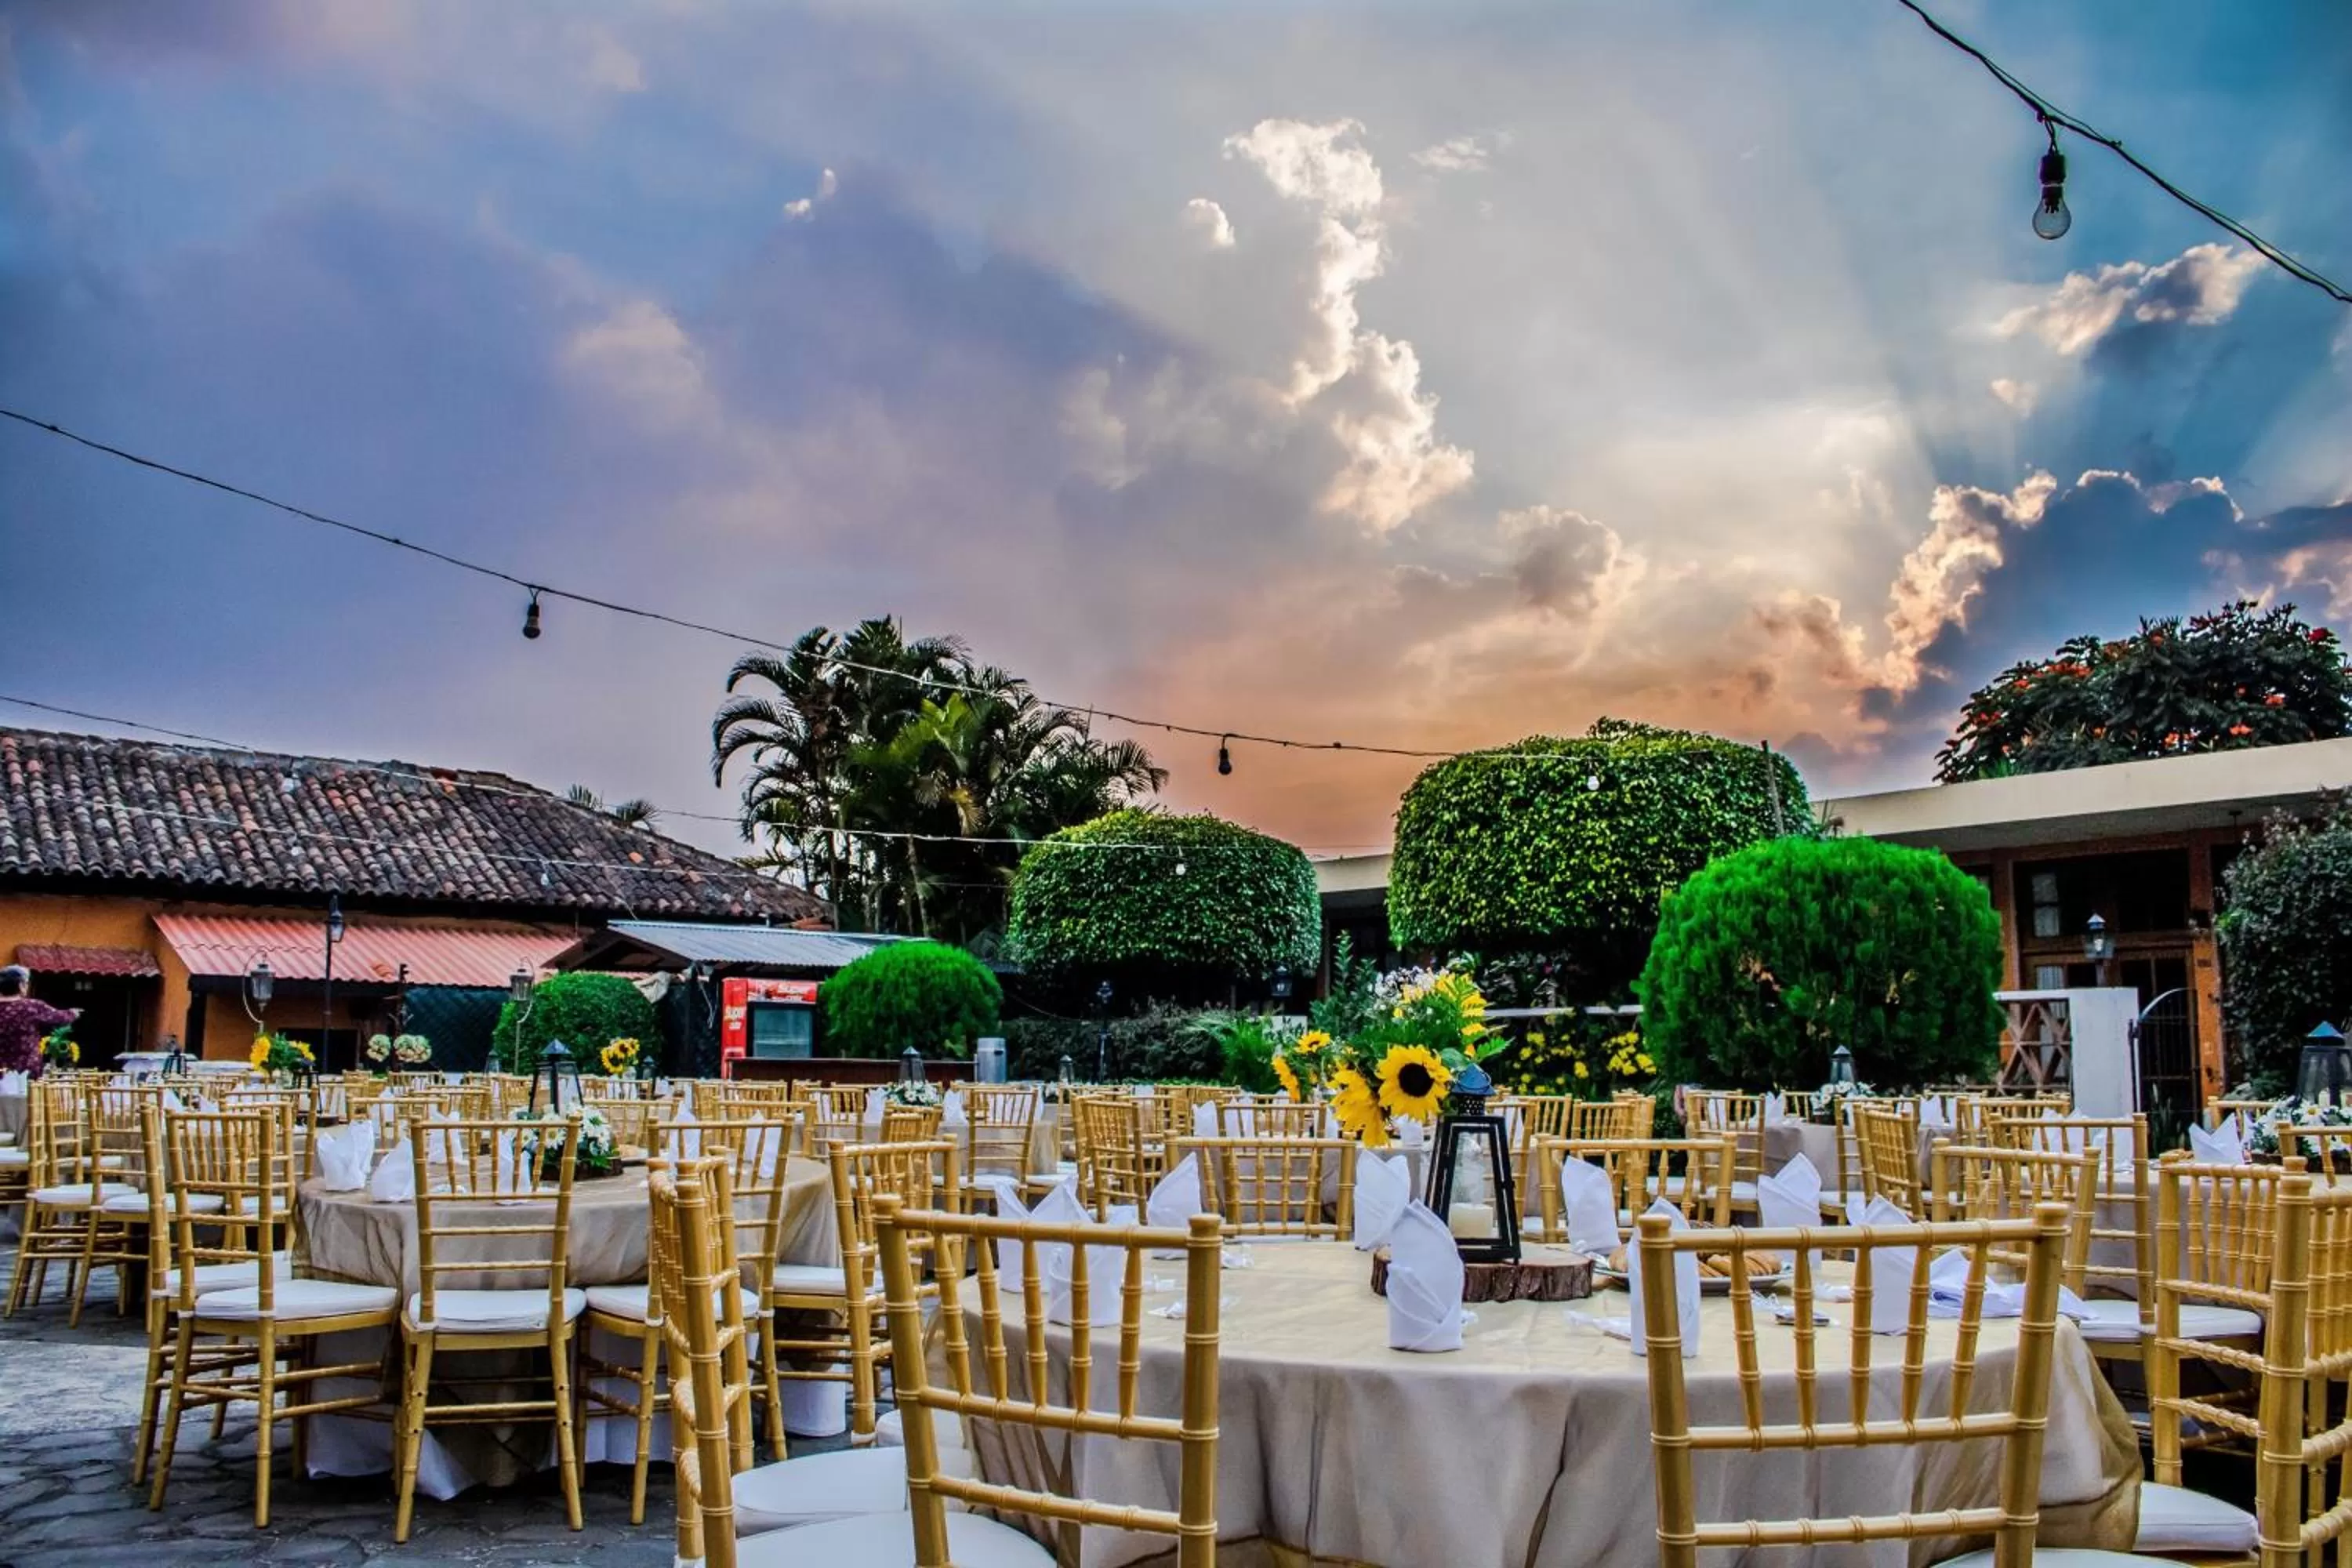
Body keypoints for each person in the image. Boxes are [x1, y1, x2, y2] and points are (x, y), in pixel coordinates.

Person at [0, 965, 79, 1079]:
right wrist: (73, 1013)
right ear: (21, 985)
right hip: (25, 1072)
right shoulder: (32, 1007)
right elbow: (59, 1017)